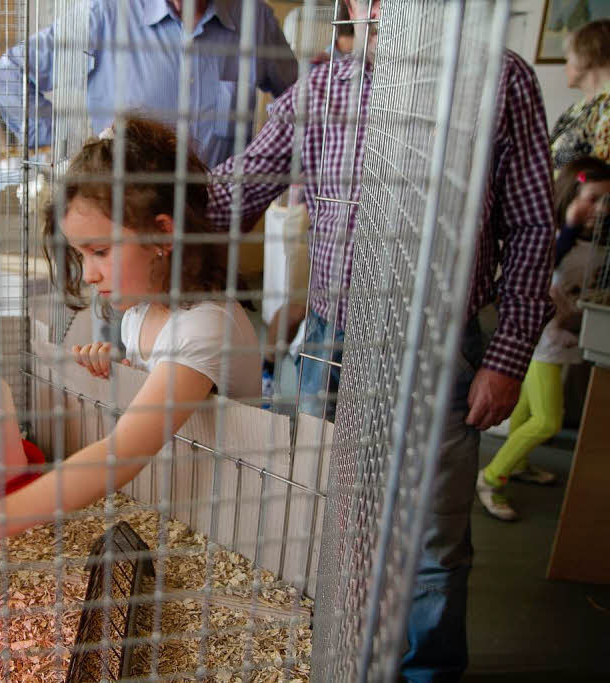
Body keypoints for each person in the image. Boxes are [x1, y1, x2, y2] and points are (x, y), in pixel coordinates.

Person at [205, 0, 554, 679]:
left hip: (440, 345)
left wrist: (509, 354)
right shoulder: (323, 86)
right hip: (330, 343)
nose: (373, 8)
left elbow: (536, 228)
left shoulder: (500, 79)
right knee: (316, 516)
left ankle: (424, 671)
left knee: (430, 542)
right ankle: (324, 659)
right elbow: (237, 187)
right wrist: (147, 204)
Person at [0, 115, 261, 567]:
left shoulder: (206, 326)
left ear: (163, 234)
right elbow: (174, 399)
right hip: (183, 502)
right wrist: (125, 367)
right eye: (80, 254)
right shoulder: (141, 313)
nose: (88, 274)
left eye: (101, 252)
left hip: (240, 527)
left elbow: (122, 452)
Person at [0, 0, 298, 169]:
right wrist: (70, 141)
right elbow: (8, 74)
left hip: (214, 223)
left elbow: (300, 99)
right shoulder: (106, 13)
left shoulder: (255, 19)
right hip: (126, 218)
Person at [477, 157, 610, 521]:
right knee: (549, 421)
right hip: (543, 338)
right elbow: (550, 260)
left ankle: (515, 463)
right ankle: (491, 477)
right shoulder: (555, 238)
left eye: (606, 201)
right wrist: (567, 227)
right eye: (592, 198)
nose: (599, 209)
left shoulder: (596, 241)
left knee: (525, 408)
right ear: (568, 197)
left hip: (563, 338)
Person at [550, 19, 610, 170]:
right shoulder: (577, 108)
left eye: (568, 59)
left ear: (586, 58)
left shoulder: (606, 109)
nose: (565, 67)